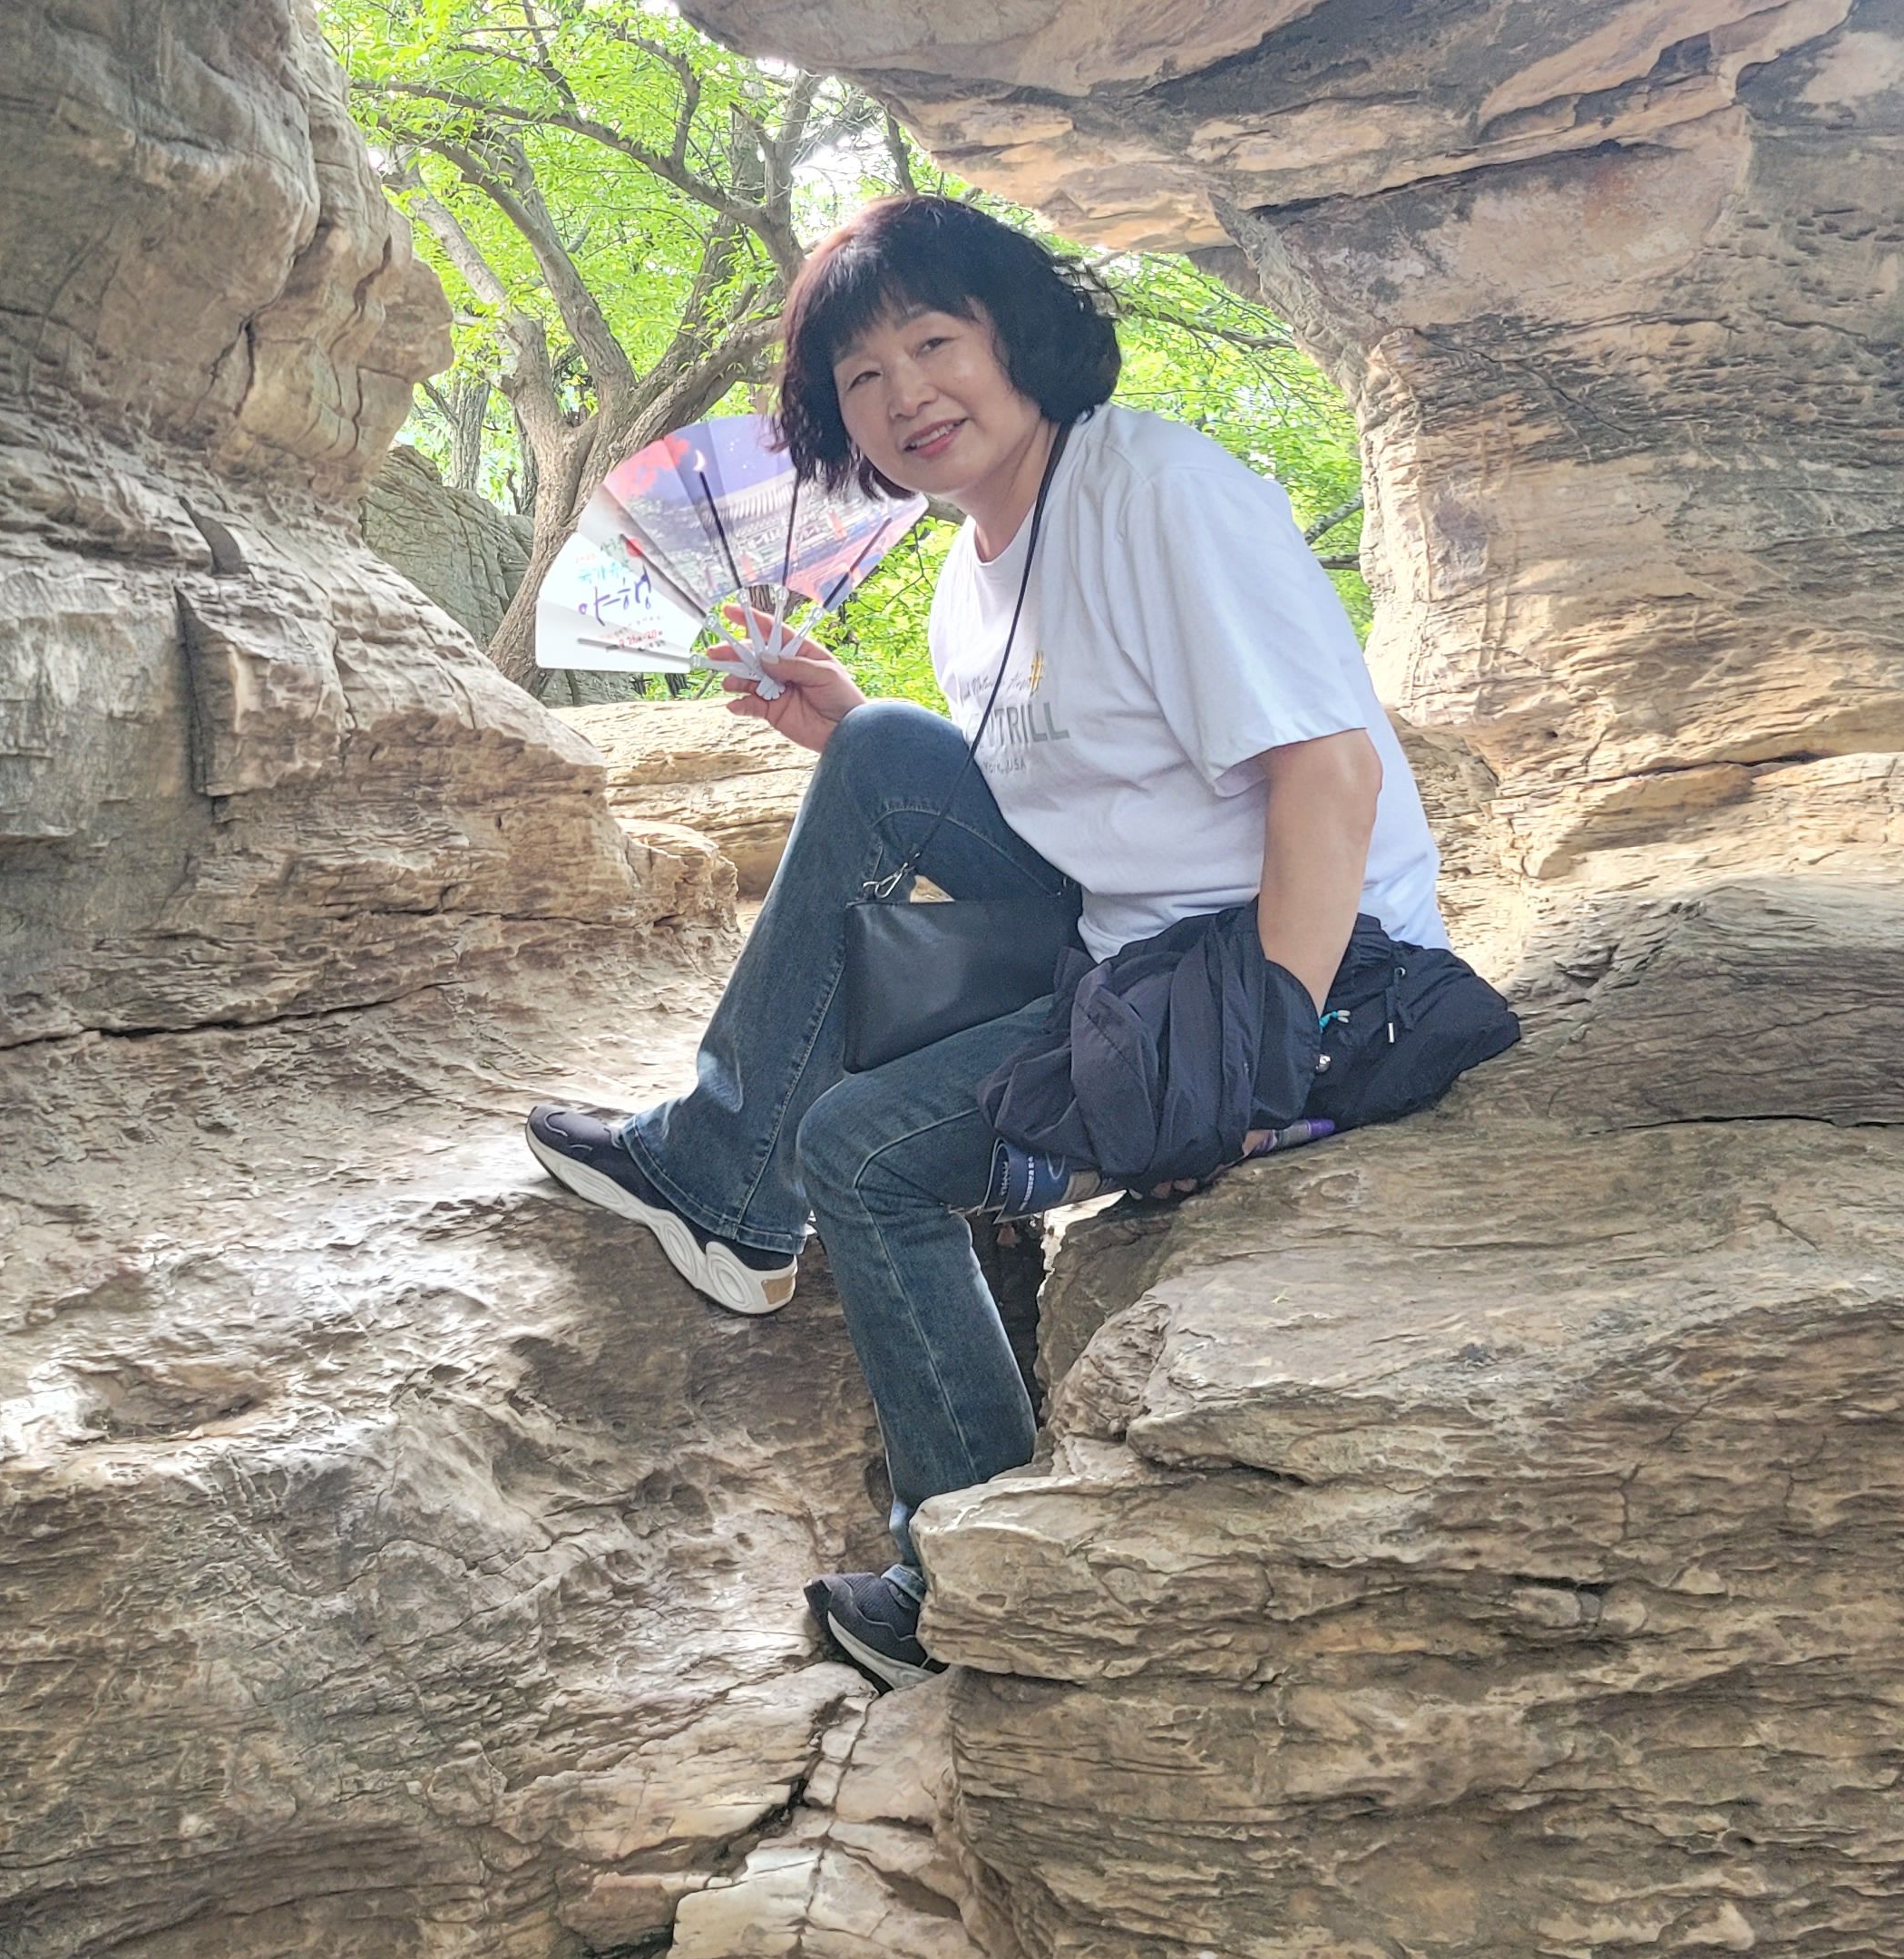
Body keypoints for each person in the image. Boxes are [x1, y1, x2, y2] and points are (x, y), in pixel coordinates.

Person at [523, 192, 1501, 1688]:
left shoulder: (1155, 493)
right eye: (862, 375)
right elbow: (1072, 818)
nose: (906, 395)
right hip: (1129, 949)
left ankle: (967, 1572)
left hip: (1308, 976)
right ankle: (722, 1183)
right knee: (887, 748)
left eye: (935, 341)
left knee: (863, 1150)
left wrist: (1256, 1068)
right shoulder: (968, 580)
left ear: (1017, 336)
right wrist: (849, 731)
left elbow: (1332, 777)